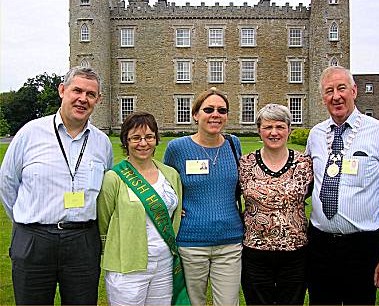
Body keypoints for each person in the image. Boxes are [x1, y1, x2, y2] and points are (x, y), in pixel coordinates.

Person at [0, 66, 113, 305]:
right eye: (77, 91)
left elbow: (105, 191)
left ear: (98, 100)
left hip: (82, 242)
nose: (83, 99)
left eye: (91, 94)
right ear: (62, 90)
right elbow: (7, 184)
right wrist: (27, 223)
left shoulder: (102, 143)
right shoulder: (30, 133)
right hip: (34, 241)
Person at [306, 65, 379, 305]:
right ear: (323, 98)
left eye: (342, 88)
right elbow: (303, 184)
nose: (336, 96)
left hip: (360, 247)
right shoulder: (316, 135)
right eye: (329, 91)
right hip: (319, 245)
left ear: (354, 91)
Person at [97, 112, 189, 306]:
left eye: (149, 137)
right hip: (127, 266)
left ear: (156, 139)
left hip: (164, 263)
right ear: (126, 141)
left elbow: (175, 212)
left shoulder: (170, 175)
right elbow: (103, 222)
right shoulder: (113, 178)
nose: (143, 143)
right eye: (136, 138)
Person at [163, 87, 243, 306]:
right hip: (191, 242)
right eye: (208, 109)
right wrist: (176, 207)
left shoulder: (234, 145)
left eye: (222, 110)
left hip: (230, 242)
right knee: (193, 302)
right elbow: (165, 187)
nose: (215, 114)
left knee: (228, 302)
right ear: (196, 114)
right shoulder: (177, 148)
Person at [239, 104, 313, 305]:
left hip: (295, 252)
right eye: (268, 127)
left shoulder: (304, 164)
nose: (274, 133)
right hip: (255, 252)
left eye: (280, 127)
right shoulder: (245, 164)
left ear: (289, 129)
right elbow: (227, 196)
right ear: (259, 130)